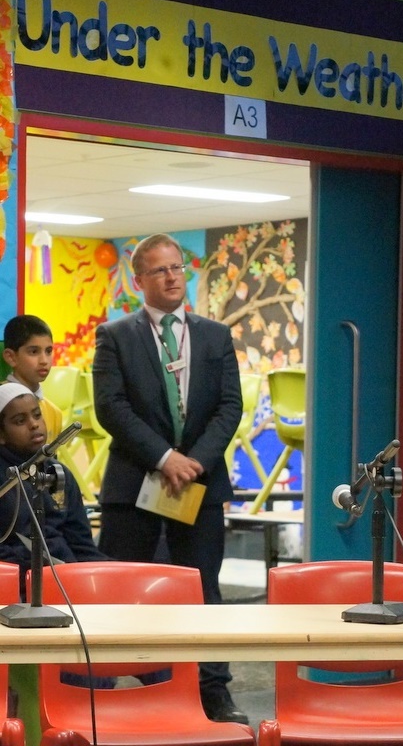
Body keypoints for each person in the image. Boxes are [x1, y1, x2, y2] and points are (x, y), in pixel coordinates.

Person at [92, 232, 247, 724]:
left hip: (199, 484)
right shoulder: (115, 336)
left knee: (204, 589)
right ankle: (104, 690)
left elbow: (230, 406)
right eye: (159, 270)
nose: (172, 276)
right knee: (124, 590)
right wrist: (164, 458)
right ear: (139, 280)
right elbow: (110, 407)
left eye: (177, 267)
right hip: (134, 483)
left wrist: (193, 461)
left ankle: (212, 692)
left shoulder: (215, 336)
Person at [0, 382, 108, 596]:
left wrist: (105, 579)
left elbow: (82, 546)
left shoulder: (59, 473)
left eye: (37, 415)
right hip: (16, 588)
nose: (34, 425)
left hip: (68, 581)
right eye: (20, 421)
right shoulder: (5, 481)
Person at [2, 315, 62, 442]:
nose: (44, 360)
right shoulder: (2, 404)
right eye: (34, 352)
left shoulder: (54, 413)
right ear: (11, 357)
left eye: (48, 351)